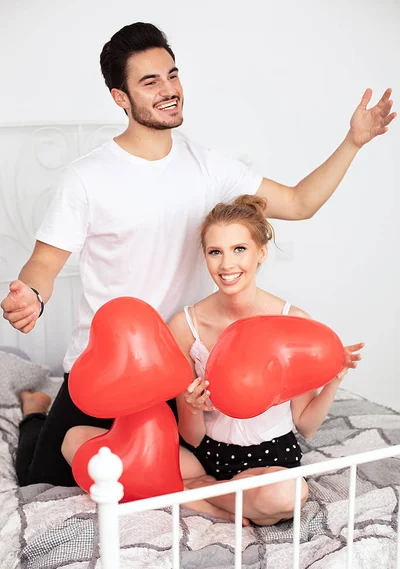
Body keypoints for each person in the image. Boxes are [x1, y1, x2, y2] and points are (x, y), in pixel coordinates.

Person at [0, 22, 392, 489]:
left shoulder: (208, 167)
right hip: (108, 364)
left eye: (172, 75)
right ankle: (35, 411)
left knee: (172, 472)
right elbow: (44, 265)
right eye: (150, 82)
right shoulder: (87, 177)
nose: (169, 90)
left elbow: (300, 203)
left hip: (182, 368)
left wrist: (353, 142)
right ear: (119, 98)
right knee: (41, 479)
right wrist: (32, 297)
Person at [60, 194, 363, 525]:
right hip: (206, 456)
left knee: (287, 494)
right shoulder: (185, 325)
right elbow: (191, 437)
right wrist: (192, 407)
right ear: (205, 256)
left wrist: (335, 379)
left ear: (261, 252)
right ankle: (214, 496)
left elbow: (306, 423)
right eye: (215, 252)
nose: (227, 264)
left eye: (239, 249)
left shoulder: (294, 321)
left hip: (270, 460)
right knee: (74, 441)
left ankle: (200, 493)